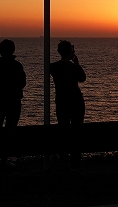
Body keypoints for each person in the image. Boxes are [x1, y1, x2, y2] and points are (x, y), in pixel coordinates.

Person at [0, 39, 26, 167]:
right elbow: (23, 83)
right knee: (10, 130)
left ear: (0, 50)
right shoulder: (17, 66)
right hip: (14, 102)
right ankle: (4, 160)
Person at [49, 40, 86, 168]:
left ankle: (64, 158)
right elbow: (82, 78)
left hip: (61, 101)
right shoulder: (74, 67)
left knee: (63, 129)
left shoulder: (52, 67)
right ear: (71, 52)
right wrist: (77, 63)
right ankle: (75, 161)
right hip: (76, 101)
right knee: (76, 131)